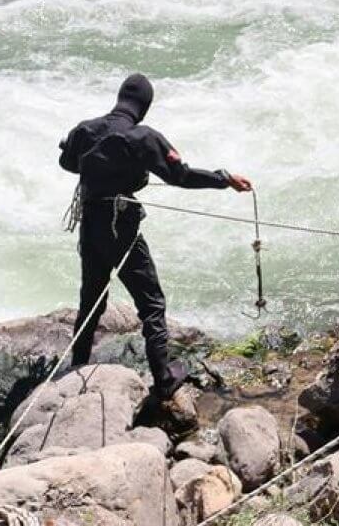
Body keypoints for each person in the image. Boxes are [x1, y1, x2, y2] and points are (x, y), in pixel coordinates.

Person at [58, 73, 253, 400]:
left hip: (90, 225)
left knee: (91, 299)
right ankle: (163, 377)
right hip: (122, 227)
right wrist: (224, 179)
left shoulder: (84, 129)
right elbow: (181, 175)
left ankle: (78, 365)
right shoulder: (143, 137)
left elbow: (67, 162)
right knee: (152, 303)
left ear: (120, 98)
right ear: (144, 107)